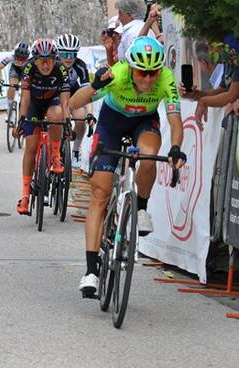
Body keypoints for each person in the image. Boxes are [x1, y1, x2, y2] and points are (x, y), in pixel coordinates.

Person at [69, 36, 186, 296]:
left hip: (144, 121)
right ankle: (90, 271)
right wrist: (94, 86)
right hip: (112, 122)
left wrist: (176, 148)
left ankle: (141, 208)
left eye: (152, 73)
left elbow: (176, 122)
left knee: (149, 153)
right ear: (131, 67)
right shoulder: (118, 73)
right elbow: (74, 104)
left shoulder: (166, 78)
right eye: (142, 73)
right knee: (99, 194)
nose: (147, 79)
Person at [15, 38, 71, 215]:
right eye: (41, 60)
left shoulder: (60, 68)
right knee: (31, 146)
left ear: (54, 59)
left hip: (52, 101)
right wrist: (21, 120)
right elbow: (24, 98)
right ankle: (25, 195)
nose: (45, 65)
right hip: (33, 103)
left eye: (49, 60)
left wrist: (67, 119)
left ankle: (55, 154)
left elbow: (65, 99)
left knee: (57, 115)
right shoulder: (29, 67)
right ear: (35, 59)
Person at [55, 33, 91, 166]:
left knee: (81, 118)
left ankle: (75, 150)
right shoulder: (52, 63)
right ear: (58, 53)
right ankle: (54, 149)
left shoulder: (80, 66)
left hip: (73, 94)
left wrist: (90, 113)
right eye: (65, 54)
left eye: (73, 54)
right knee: (55, 118)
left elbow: (88, 93)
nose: (69, 58)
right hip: (55, 94)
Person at [0, 42, 30, 118]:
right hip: (15, 69)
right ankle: (9, 107)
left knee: (27, 90)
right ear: (15, 55)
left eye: (22, 59)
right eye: (18, 58)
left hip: (27, 69)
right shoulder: (11, 56)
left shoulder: (31, 58)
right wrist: (1, 80)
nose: (20, 62)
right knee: (12, 86)